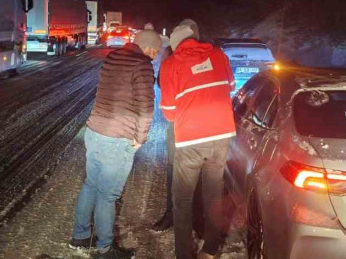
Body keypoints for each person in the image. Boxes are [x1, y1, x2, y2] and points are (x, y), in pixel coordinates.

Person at [69, 29, 162, 259]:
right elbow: (145, 107)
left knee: (91, 184)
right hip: (117, 137)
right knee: (107, 196)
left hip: (95, 130)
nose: (156, 55)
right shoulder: (142, 65)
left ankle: (80, 236)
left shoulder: (112, 57)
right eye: (156, 51)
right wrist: (140, 138)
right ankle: (105, 249)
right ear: (149, 48)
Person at [159, 21, 235, 259]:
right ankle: (211, 248)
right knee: (213, 193)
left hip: (190, 138)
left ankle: (184, 254)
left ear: (174, 44)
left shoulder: (171, 64)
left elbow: (169, 112)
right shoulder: (218, 55)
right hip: (222, 133)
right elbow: (230, 86)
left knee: (182, 199)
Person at [150, 19, 199, 233]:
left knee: (176, 169)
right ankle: (182, 216)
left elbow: (161, 82)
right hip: (184, 121)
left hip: (183, 122)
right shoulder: (172, 55)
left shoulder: (173, 54)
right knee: (180, 170)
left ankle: (181, 216)